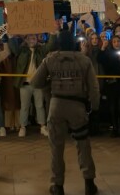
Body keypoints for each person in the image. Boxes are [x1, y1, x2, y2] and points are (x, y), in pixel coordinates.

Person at [31, 30, 100, 195]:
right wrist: (94, 107)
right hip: (78, 106)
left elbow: (35, 82)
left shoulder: (50, 59)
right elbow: (94, 86)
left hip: (56, 106)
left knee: (56, 147)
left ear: (58, 43)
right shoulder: (84, 60)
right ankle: (89, 183)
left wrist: (50, 85)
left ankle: (57, 185)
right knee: (83, 145)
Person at [9, 32, 57, 137]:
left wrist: (53, 34)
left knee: (39, 106)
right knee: (24, 107)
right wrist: (11, 36)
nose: (32, 40)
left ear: (37, 40)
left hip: (38, 83)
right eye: (29, 38)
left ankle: (42, 126)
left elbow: (50, 46)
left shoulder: (41, 50)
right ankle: (23, 127)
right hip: (24, 84)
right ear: (26, 40)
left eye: (34, 38)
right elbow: (14, 49)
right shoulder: (21, 50)